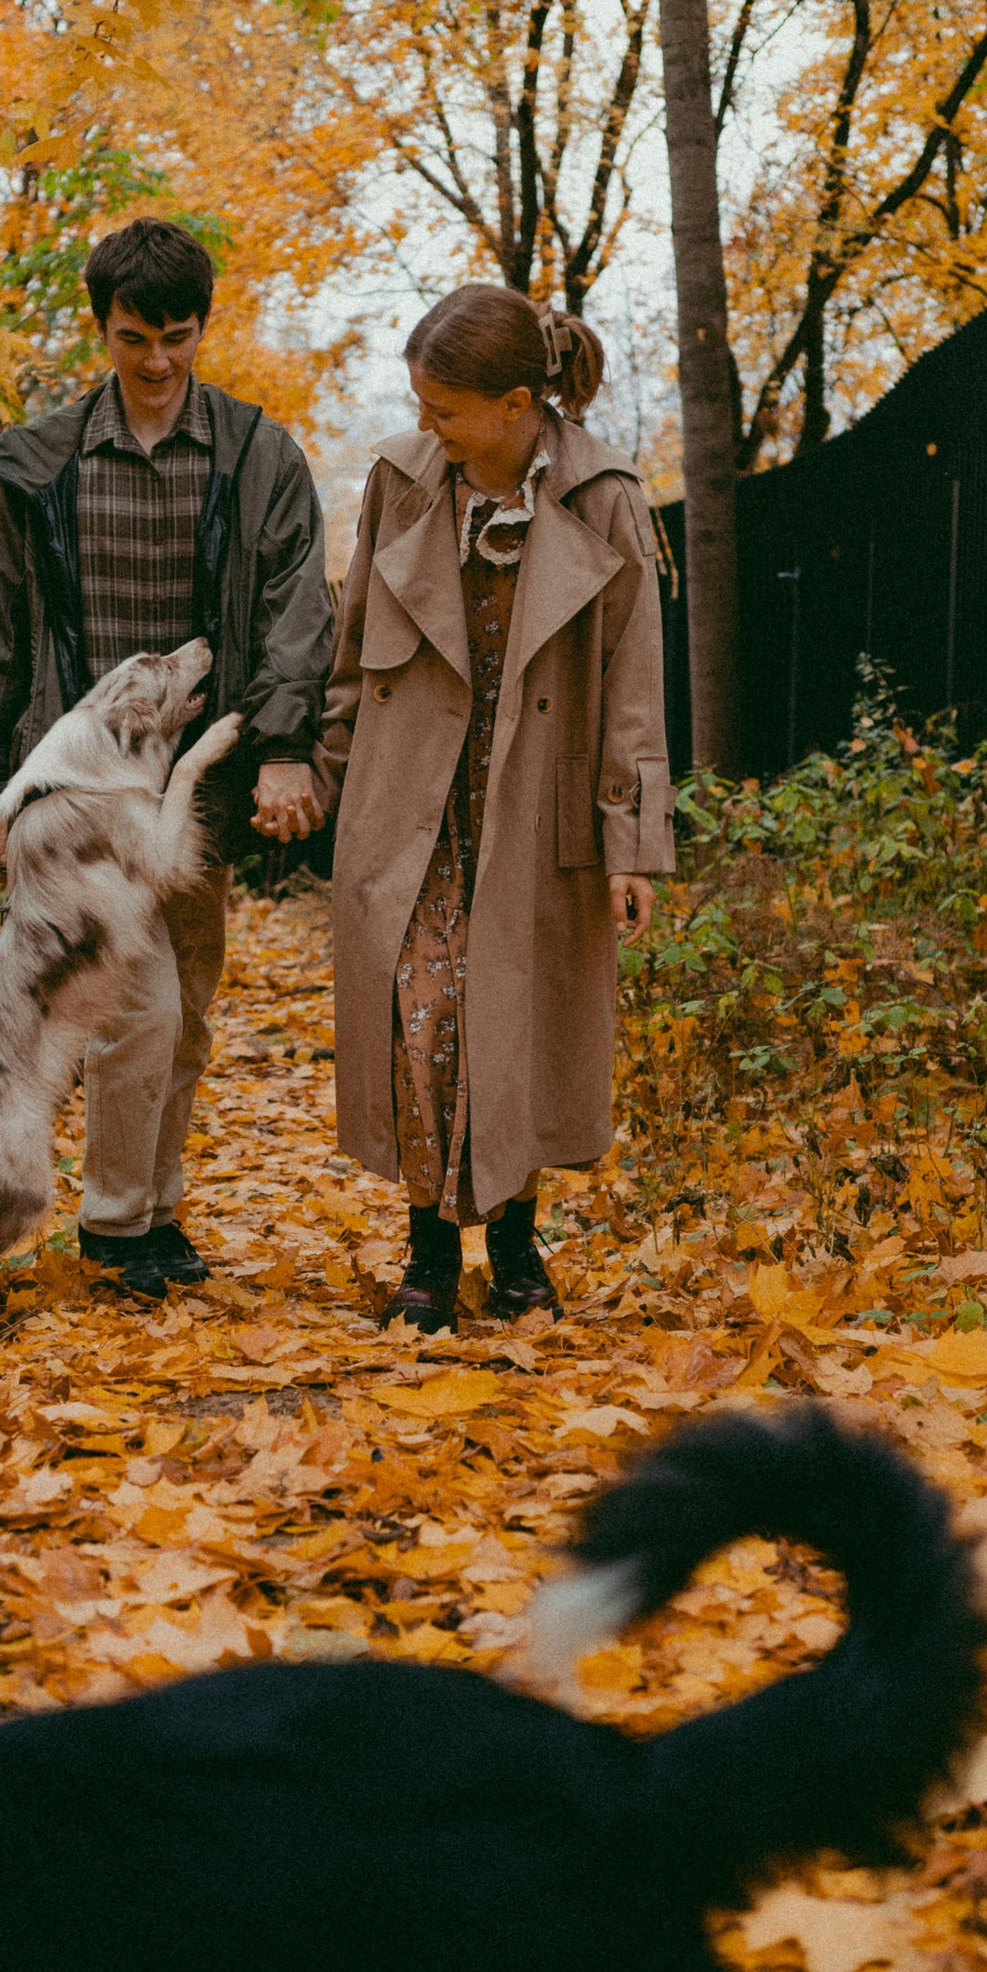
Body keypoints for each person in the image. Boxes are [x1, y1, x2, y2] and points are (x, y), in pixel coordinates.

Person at [0, 217, 331, 1297]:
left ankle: (156, 1214)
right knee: (139, 1006)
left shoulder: (258, 457)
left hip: (198, 785)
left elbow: (299, 609)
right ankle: (117, 1228)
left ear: (202, 326)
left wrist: (283, 747)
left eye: (177, 336)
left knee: (188, 1015)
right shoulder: (44, 464)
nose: (157, 361)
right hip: (78, 795)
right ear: (102, 330)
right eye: (133, 338)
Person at [302, 283, 673, 1330]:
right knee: (419, 1020)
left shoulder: (605, 496)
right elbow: (352, 642)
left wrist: (631, 844)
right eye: (420, 406)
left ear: (516, 405)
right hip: (408, 805)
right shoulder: (400, 480)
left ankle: (514, 1245)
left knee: (513, 1024)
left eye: (445, 410)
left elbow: (634, 681)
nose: (428, 426)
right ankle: (428, 1248)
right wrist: (325, 776)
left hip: (538, 807)